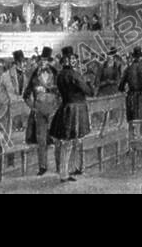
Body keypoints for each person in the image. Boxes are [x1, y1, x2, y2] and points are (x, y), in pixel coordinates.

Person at [49, 47, 93, 183]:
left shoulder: (61, 75)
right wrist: (89, 83)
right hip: (75, 109)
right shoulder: (74, 75)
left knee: (69, 141)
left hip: (66, 107)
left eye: (74, 59)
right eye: (71, 59)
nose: (73, 61)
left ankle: (68, 170)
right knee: (70, 142)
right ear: (65, 60)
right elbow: (88, 91)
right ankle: (65, 172)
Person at [23, 47, 58, 176]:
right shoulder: (34, 75)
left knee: (56, 138)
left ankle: (59, 166)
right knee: (41, 139)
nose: (43, 63)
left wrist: (57, 105)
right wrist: (33, 106)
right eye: (41, 60)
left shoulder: (55, 73)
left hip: (53, 110)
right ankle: (42, 167)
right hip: (39, 110)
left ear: (49, 61)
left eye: (46, 60)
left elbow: (61, 91)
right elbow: (26, 94)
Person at [119, 47, 142, 132]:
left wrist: (124, 90)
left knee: (132, 119)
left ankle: (132, 138)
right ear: (141, 56)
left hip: (131, 96)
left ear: (133, 57)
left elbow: (121, 86)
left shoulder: (128, 69)